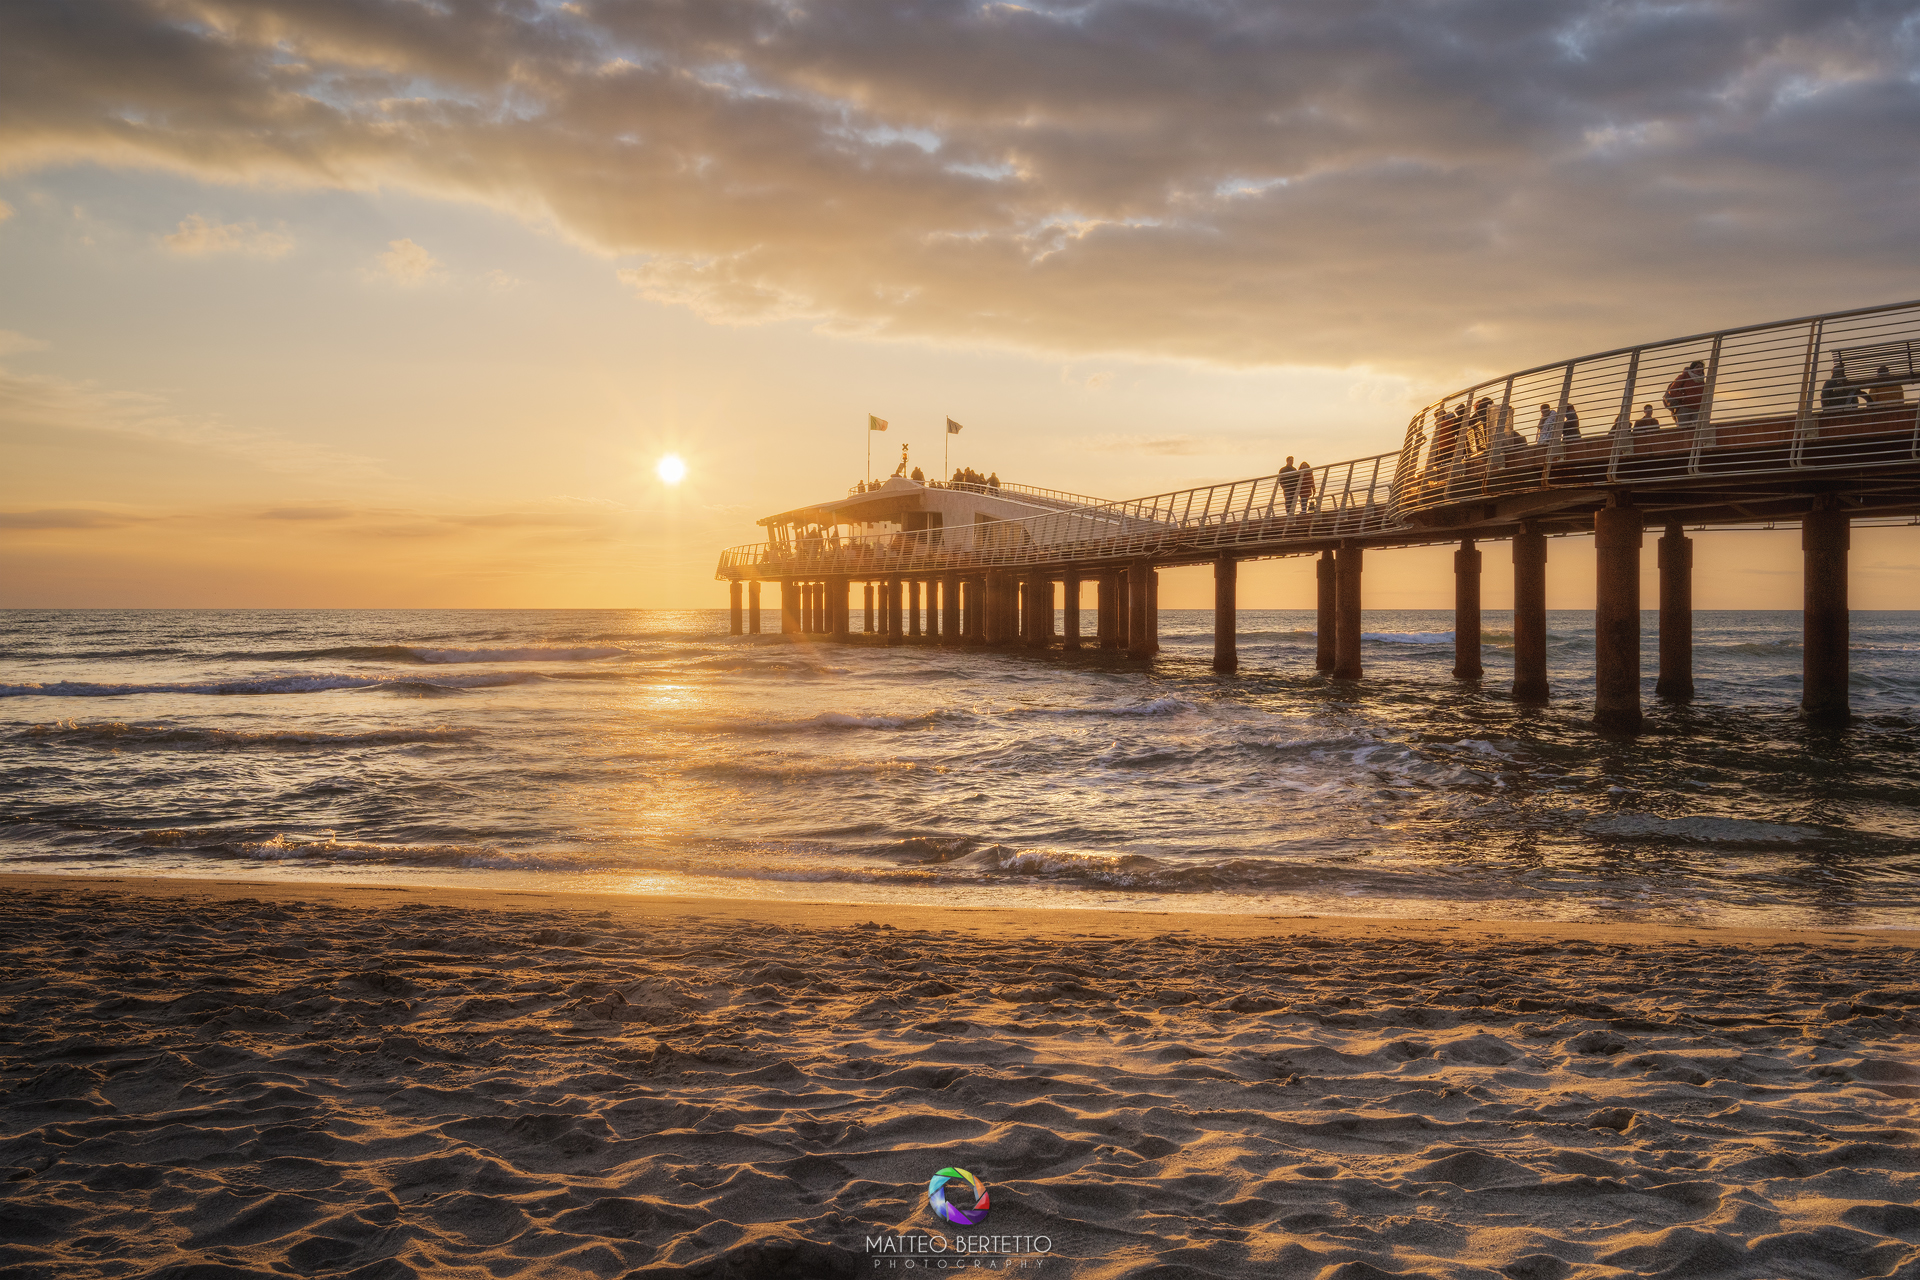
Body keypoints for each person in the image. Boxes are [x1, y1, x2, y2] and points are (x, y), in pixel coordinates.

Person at [1664, 359, 1706, 427]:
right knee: (1683, 430)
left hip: (1698, 409)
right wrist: (1683, 398)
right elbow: (1672, 390)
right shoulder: (1684, 376)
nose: (1700, 369)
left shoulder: (1702, 380)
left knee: (1698, 429)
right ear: (1692, 369)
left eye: (1701, 367)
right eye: (1697, 367)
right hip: (1684, 409)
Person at [1427, 404, 1461, 473]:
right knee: (1451, 465)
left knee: (1445, 466)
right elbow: (1454, 430)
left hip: (1441, 449)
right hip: (1450, 448)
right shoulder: (1447, 423)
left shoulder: (1438, 426)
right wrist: (1452, 418)